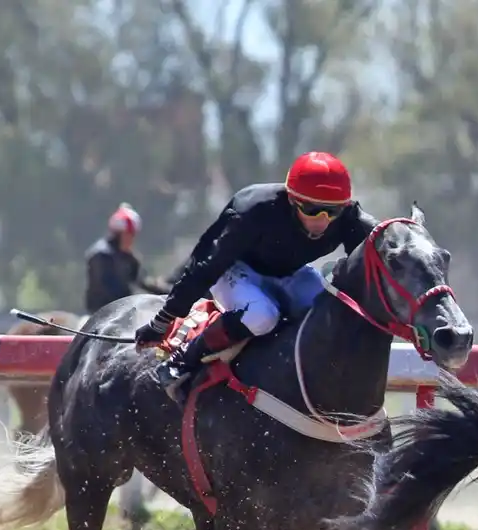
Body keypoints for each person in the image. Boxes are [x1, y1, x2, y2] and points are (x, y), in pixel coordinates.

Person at [139, 151, 379, 402]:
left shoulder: (348, 217)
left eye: (332, 212)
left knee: (330, 310)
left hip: (290, 272)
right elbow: (206, 266)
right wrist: (162, 320)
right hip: (234, 269)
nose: (323, 221)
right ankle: (185, 357)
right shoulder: (252, 210)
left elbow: (387, 244)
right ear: (292, 200)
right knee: (263, 316)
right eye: (312, 210)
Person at [85, 203, 170, 313]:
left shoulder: (130, 258)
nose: (132, 239)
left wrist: (170, 292)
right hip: (99, 313)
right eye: (129, 234)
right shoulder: (100, 255)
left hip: (124, 311)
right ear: (117, 234)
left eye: (133, 235)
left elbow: (142, 281)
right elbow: (107, 289)